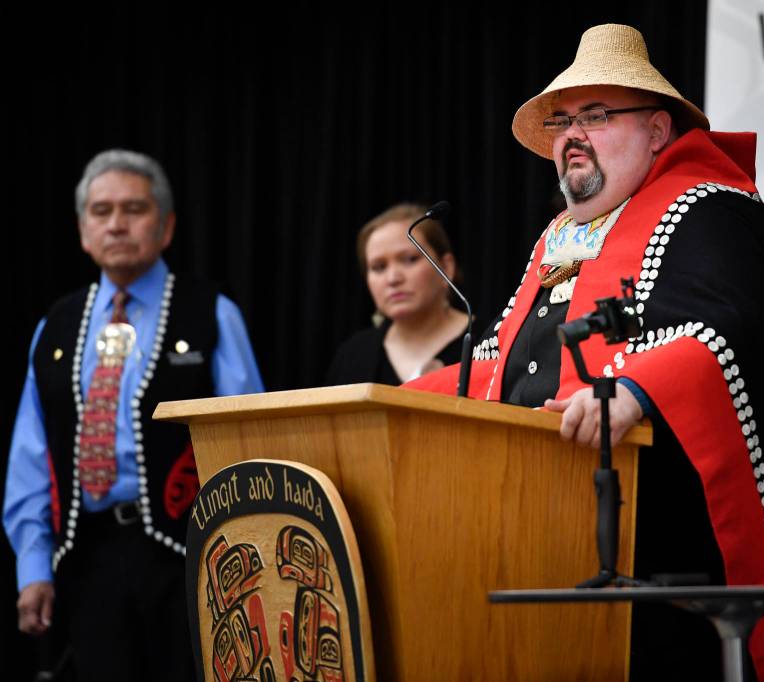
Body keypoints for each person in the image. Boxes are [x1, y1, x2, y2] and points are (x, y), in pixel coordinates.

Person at [409, 24, 764, 680]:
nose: (572, 134)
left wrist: (634, 387)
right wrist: (399, 405)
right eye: (563, 121)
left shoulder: (713, 209)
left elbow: (731, 328)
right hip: (544, 518)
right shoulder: (561, 238)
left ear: (656, 131)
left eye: (596, 115)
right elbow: (507, 358)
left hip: (668, 539)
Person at [3, 149, 265, 681]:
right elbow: (31, 456)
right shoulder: (56, 325)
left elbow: (250, 444)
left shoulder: (211, 312)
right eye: (101, 212)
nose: (117, 225)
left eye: (134, 209)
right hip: (87, 557)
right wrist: (33, 565)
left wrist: (247, 556)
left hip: (194, 558)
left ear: (166, 227)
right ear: (82, 231)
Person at [324, 203, 470, 386]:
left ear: (446, 267)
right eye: (378, 267)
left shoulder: (489, 343)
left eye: (409, 259)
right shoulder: (352, 356)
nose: (393, 279)